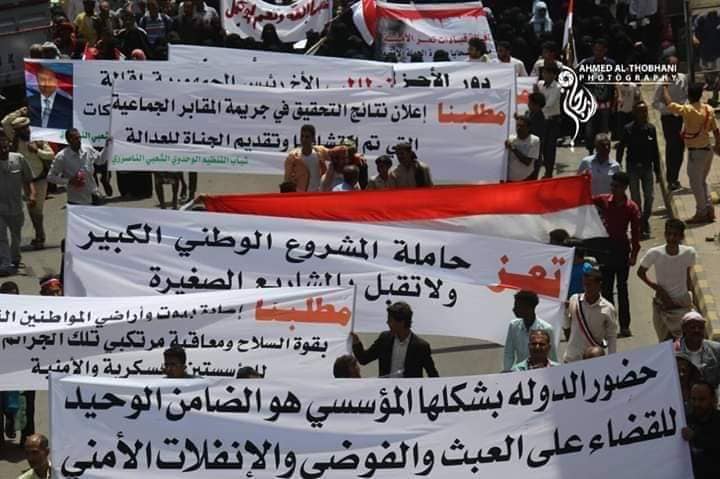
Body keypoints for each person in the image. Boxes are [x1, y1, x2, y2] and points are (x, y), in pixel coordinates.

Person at [662, 82, 720, 224]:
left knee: (695, 184)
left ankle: (701, 212)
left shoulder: (688, 110)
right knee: (703, 181)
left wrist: (665, 87)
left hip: (696, 153)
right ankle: (709, 209)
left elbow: (669, 104)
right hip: (708, 150)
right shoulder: (708, 109)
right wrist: (718, 145)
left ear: (689, 95)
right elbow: (716, 131)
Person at [592, 172, 641, 337]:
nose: (613, 188)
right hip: (606, 251)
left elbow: (636, 233)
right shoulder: (604, 200)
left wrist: (634, 254)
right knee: (606, 290)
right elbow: (585, 200)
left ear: (624, 187)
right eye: (612, 185)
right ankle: (610, 325)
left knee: (622, 289)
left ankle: (625, 326)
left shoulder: (631, 207)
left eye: (616, 186)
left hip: (621, 250)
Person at [1, 109, 54, 250]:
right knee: (32, 209)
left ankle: (40, 236)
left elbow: (51, 155)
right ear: (17, 131)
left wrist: (37, 151)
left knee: (37, 209)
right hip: (24, 181)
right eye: (21, 129)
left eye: (26, 128)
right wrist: (19, 111)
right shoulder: (14, 140)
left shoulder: (38, 140)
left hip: (40, 179)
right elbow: (4, 122)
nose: (25, 131)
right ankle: (39, 236)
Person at [638, 219, 696, 340]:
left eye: (675, 235)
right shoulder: (654, 253)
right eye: (668, 234)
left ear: (681, 236)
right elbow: (640, 273)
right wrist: (658, 289)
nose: (671, 238)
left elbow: (687, 276)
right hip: (662, 304)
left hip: (682, 303)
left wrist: (690, 297)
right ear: (664, 234)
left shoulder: (689, 253)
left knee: (685, 340)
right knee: (665, 341)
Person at [351, 302, 439, 378]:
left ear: (401, 322)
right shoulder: (384, 339)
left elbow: (433, 375)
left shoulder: (421, 347)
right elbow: (364, 359)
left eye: (390, 320)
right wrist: (356, 343)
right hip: (386, 390)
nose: (387, 323)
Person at [615, 101, 661, 238]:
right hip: (633, 167)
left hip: (647, 167)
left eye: (645, 111)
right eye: (640, 111)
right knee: (636, 198)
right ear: (635, 113)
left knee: (649, 197)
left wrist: (658, 171)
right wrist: (618, 165)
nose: (643, 114)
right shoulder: (628, 129)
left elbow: (655, 151)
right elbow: (621, 147)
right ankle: (640, 224)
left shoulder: (651, 129)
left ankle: (644, 219)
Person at [563, 266, 618, 362]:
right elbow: (566, 325)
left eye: (589, 284)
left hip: (593, 359)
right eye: (584, 284)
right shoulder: (574, 300)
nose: (586, 288)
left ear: (599, 285)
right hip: (572, 357)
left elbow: (611, 336)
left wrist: (612, 360)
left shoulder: (608, 309)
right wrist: (564, 311)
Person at [0, 131, 35, 277]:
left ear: (9, 144)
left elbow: (28, 179)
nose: (3, 147)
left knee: (16, 236)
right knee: (1, 237)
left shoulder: (18, 159)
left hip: (16, 206)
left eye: (5, 143)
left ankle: (15, 258)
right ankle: (5, 264)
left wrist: (32, 195)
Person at [652, 55, 687, 191]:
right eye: (672, 65)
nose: (674, 68)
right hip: (669, 119)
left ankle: (676, 177)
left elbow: (685, 96)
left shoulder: (683, 78)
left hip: (682, 117)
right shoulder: (661, 82)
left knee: (680, 148)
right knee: (672, 148)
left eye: (676, 65)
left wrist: (684, 108)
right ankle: (671, 179)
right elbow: (655, 102)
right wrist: (671, 109)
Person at [503, 290, 556, 371]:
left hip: (541, 371)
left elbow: (552, 356)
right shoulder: (514, 326)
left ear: (529, 308)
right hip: (520, 371)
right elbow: (508, 353)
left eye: (517, 306)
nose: (514, 309)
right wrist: (508, 372)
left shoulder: (546, 328)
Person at [579, 39, 616, 153]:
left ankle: (603, 151)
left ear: (605, 50)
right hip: (590, 102)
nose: (598, 52)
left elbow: (614, 82)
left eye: (600, 50)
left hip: (605, 101)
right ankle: (590, 151)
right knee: (590, 129)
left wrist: (615, 99)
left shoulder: (611, 64)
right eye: (596, 50)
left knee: (604, 128)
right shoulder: (587, 63)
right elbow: (581, 82)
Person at [48, 128, 101, 205]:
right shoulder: (62, 156)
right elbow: (50, 177)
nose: (79, 140)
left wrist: (108, 147)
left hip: (93, 196)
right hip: (76, 200)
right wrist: (69, 181)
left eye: (79, 137)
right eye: (76, 139)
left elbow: (100, 160)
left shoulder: (87, 149)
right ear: (69, 141)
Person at [682, 381, 720, 479]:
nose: (696, 404)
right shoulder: (685, 421)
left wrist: (695, 437)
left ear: (712, 399)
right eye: (693, 399)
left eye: (702, 399)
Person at [674, 312, 720, 389]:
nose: (697, 330)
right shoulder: (673, 352)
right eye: (692, 327)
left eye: (700, 327)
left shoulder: (716, 349)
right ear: (684, 329)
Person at [27, 65, 73, 130]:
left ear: (56, 82)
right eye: (42, 80)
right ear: (37, 81)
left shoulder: (69, 105)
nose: (47, 83)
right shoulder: (29, 102)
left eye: (50, 80)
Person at [284, 124, 328, 192]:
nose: (304, 139)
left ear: (313, 138)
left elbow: (334, 154)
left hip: (318, 193)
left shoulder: (320, 152)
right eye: (302, 136)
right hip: (301, 194)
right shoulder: (293, 156)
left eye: (307, 137)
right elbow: (287, 179)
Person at [536, 62, 561, 178]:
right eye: (543, 72)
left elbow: (549, 104)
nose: (544, 75)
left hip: (552, 121)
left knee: (549, 148)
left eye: (546, 73)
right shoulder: (540, 84)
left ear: (553, 75)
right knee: (540, 146)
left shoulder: (557, 87)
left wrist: (537, 98)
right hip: (541, 120)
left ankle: (549, 172)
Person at [506, 115, 540, 181]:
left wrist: (513, 148)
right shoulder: (510, 139)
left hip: (526, 179)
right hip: (509, 179)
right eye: (517, 126)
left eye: (522, 126)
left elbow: (527, 162)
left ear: (528, 128)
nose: (518, 128)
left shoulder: (535, 140)